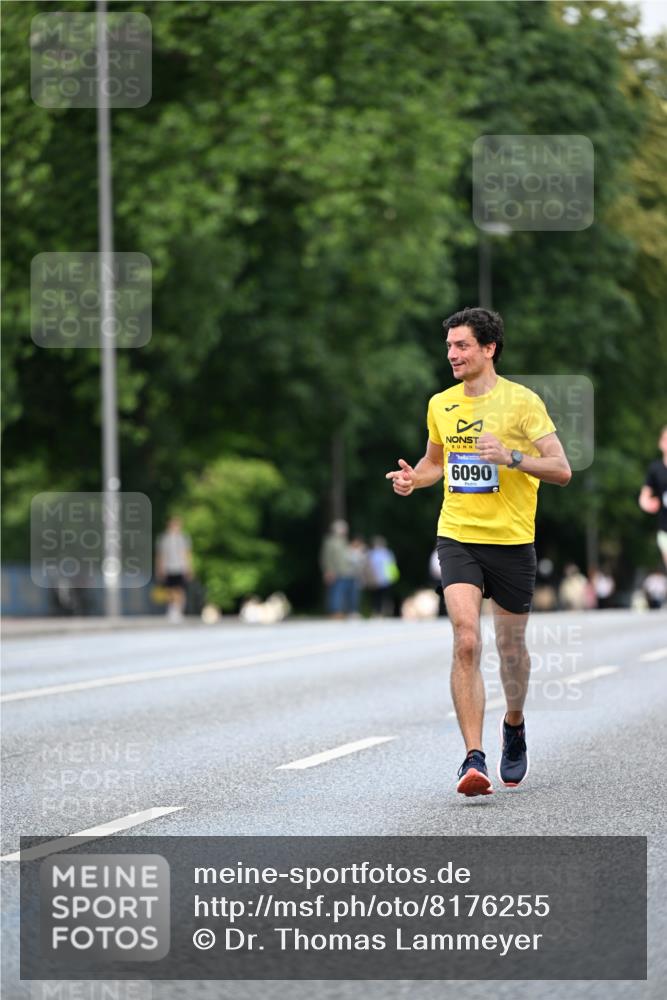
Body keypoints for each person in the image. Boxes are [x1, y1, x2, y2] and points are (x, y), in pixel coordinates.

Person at [386, 307, 571, 797]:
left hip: (511, 541)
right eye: (449, 347)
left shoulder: (523, 403)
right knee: (466, 639)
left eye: (462, 345)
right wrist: (413, 479)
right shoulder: (441, 404)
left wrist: (511, 457)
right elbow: (434, 464)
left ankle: (513, 723)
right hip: (458, 535)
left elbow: (561, 469)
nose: (452, 354)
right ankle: (473, 757)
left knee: (511, 651)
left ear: (489, 349)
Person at [638, 425, 667, 571]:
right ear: (660, 443)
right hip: (665, 528)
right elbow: (644, 495)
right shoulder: (655, 469)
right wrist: (647, 503)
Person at [155, 516, 193, 622]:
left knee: (180, 589)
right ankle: (172, 608)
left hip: (180, 567)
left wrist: (189, 567)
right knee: (169, 589)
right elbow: (160, 554)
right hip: (168, 567)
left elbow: (187, 554)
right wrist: (159, 568)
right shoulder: (163, 538)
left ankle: (178, 610)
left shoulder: (184, 538)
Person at [319, 520, 356, 618]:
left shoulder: (344, 541)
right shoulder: (330, 541)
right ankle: (335, 612)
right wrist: (328, 570)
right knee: (336, 593)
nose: (345, 531)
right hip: (336, 572)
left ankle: (347, 611)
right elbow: (326, 557)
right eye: (343, 529)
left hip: (348, 571)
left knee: (347, 592)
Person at [366, 536, 399, 617]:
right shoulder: (374, 553)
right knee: (377, 596)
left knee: (382, 596)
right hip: (377, 578)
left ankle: (383, 611)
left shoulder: (384, 553)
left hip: (385, 578)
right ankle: (377, 612)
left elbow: (391, 565)